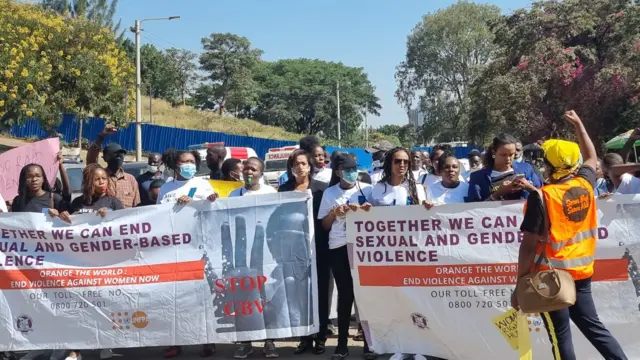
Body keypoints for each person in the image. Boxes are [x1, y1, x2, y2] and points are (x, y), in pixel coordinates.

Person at [514, 110, 627, 360]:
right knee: (595, 329)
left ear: (548, 165)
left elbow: (529, 247)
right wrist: (579, 125)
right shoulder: (585, 183)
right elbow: (591, 157)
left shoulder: (542, 196)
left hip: (551, 277)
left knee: (560, 337)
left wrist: (519, 284)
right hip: (581, 274)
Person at [156, 149, 218, 359]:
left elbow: (213, 209)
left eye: (193, 161)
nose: (190, 165)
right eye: (185, 162)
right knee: (176, 299)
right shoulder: (166, 188)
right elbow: (157, 216)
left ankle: (207, 340)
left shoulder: (202, 185)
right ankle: (176, 341)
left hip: (199, 248)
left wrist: (208, 200)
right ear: (176, 165)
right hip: (174, 250)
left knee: (202, 297)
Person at [11, 164, 72, 360]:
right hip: (28, 263)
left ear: (44, 178)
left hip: (52, 261)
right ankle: (38, 344)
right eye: (30, 177)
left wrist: (61, 215)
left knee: (54, 303)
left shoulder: (55, 198)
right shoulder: (19, 202)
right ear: (24, 179)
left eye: (38, 176)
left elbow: (71, 225)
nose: (34, 180)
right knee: (33, 304)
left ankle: (61, 348)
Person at [318, 153, 374, 360]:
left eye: (355, 169)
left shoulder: (367, 190)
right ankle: (342, 344)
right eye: (348, 169)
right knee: (345, 295)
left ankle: (369, 343)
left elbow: (380, 217)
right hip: (339, 247)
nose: (352, 173)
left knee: (364, 296)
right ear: (338, 172)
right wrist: (334, 213)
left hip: (363, 248)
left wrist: (367, 210)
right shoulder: (330, 193)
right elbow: (324, 225)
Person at [279, 149, 330, 356]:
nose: (299, 167)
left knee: (321, 292)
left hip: (319, 248)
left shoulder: (322, 189)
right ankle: (304, 336)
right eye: (295, 164)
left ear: (310, 166)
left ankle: (321, 337)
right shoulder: (284, 189)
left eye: (303, 163)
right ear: (290, 168)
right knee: (300, 294)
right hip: (293, 250)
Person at [228, 157, 278, 359]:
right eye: (246, 168)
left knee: (265, 296)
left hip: (264, 252)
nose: (249, 172)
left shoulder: (271, 193)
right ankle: (246, 341)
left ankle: (269, 340)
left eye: (254, 169)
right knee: (243, 296)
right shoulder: (233, 194)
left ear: (261, 173)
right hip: (241, 253)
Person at [466, 134, 542, 202]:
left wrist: (528, 187)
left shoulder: (526, 169)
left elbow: (544, 197)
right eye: (503, 155)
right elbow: (473, 212)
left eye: (511, 154)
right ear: (494, 152)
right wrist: (497, 194)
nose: (508, 159)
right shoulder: (478, 178)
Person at [86, 125, 141, 208]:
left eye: (121, 154)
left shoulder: (131, 179)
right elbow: (91, 159)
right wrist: (101, 136)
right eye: (114, 154)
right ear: (105, 158)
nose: (118, 157)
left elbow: (137, 206)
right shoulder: (101, 178)